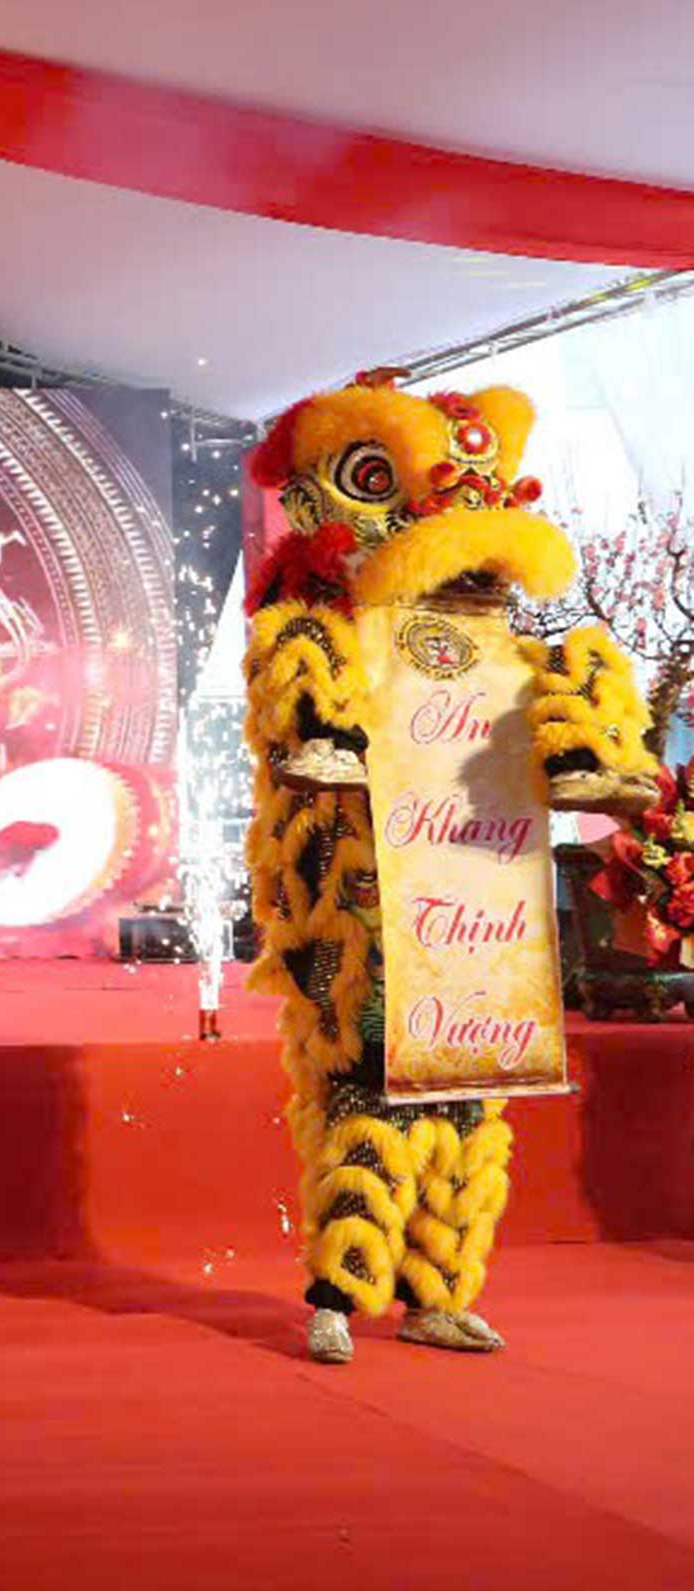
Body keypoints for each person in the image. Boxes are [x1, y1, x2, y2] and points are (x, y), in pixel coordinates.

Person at [241, 371, 660, 1364]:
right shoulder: (317, 634)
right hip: (361, 907)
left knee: (470, 1095)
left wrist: (589, 760)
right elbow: (293, 725)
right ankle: (339, 1290)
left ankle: (437, 1289)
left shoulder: (515, 658)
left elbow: (565, 728)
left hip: (477, 905)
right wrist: (324, 745)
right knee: (364, 1084)